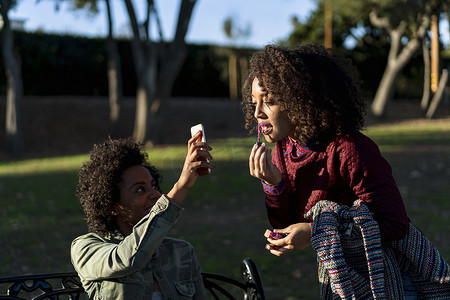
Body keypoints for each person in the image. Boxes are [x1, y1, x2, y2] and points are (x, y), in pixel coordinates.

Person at [243, 43, 450, 298]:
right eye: (254, 102)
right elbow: (289, 223)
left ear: (300, 100)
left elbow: (394, 224)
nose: (257, 113)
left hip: (391, 281)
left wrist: (315, 231)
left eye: (270, 101)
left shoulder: (350, 149)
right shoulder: (285, 150)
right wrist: (273, 183)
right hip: (343, 280)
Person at [71, 133, 213, 300]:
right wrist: (181, 186)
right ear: (112, 206)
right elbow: (129, 258)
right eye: (140, 189)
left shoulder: (181, 252)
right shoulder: (86, 248)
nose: (155, 195)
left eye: (153, 186)